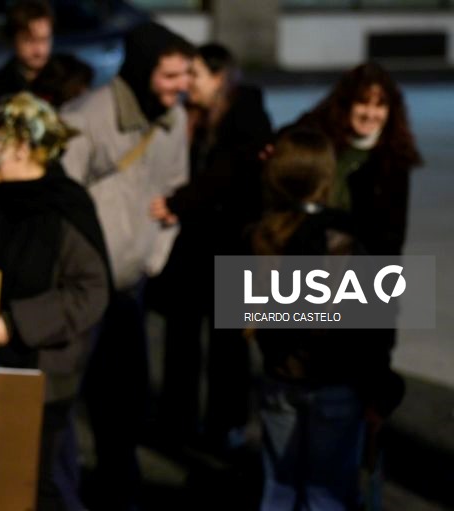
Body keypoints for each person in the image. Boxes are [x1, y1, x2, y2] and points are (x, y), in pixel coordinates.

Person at [0, 91, 110, 511]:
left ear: (21, 145)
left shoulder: (65, 205)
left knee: (34, 485)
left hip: (39, 375)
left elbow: (90, 290)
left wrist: (16, 323)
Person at [60, 20, 191, 510]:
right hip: (85, 289)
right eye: (171, 75)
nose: (182, 86)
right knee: (70, 400)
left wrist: (154, 257)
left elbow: (174, 190)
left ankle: (120, 489)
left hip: (132, 285)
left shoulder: (174, 119)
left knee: (127, 399)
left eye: (186, 74)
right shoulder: (87, 117)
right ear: (141, 70)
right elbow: (61, 201)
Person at [248, 127, 403, 511]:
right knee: (326, 495)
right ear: (328, 179)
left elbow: (248, 315)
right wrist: (381, 390)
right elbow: (374, 328)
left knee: (278, 490)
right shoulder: (345, 240)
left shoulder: (260, 235)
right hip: (337, 383)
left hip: (280, 377)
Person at [148, 42, 273, 451]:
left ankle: (226, 424)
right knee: (182, 337)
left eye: (195, 74)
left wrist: (177, 202)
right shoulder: (186, 116)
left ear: (219, 78)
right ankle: (178, 421)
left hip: (232, 244)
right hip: (191, 245)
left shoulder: (247, 111)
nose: (187, 83)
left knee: (228, 343)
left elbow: (227, 171)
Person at [291, 61, 422, 256]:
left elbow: (392, 238)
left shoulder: (394, 158)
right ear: (347, 103)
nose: (370, 114)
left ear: (391, 110)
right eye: (362, 103)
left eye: (380, 105)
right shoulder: (318, 135)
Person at [0, 0, 54, 115]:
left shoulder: (68, 82)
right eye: (29, 41)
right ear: (12, 41)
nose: (39, 50)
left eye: (44, 39)